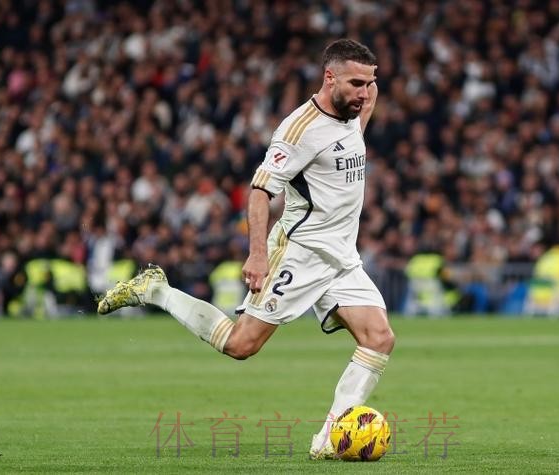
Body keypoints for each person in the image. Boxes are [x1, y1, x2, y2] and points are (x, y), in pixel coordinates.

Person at [97, 39, 395, 460]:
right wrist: (257, 253)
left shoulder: (355, 109)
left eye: (370, 82)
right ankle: (156, 290)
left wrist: (365, 91)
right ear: (329, 78)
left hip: (341, 258)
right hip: (299, 252)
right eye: (356, 84)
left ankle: (332, 437)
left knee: (379, 337)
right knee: (241, 345)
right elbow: (259, 191)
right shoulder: (298, 131)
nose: (365, 93)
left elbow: (363, 106)